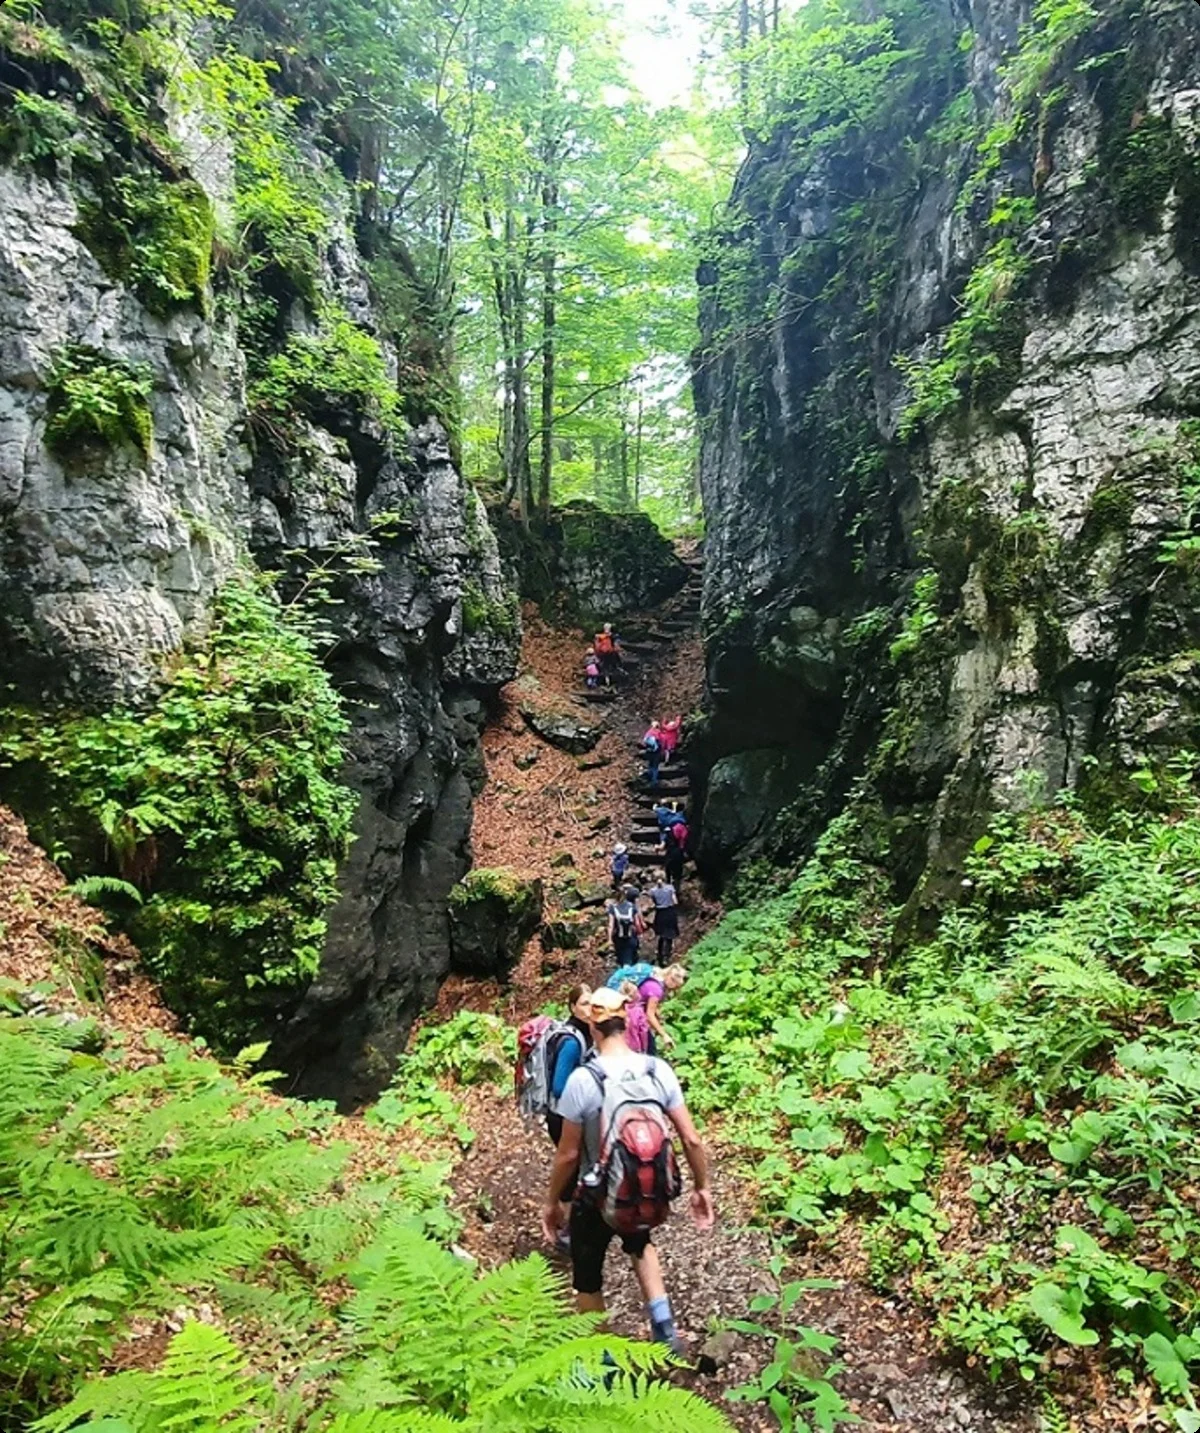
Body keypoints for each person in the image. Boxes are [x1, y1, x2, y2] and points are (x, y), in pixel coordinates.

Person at [541, 985, 715, 1353]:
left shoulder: (583, 1080)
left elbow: (568, 1155)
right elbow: (692, 1139)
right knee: (641, 1243)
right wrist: (702, 1188)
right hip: (642, 1188)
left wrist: (552, 1201)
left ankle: (604, 1359)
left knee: (587, 1279)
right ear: (626, 1022)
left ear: (592, 1026)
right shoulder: (657, 1070)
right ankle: (665, 1330)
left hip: (595, 1195)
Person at [545, 982, 596, 1249]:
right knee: (571, 1165)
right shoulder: (572, 1042)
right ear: (572, 1007)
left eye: (592, 1003)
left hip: (571, 1112)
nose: (589, 1009)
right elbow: (559, 1085)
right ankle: (567, 1231)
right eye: (584, 1004)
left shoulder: (586, 1033)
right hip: (561, 1114)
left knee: (580, 1164)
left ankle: (576, 1225)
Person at [606, 884, 642, 964]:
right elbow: (637, 923)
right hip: (631, 937)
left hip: (619, 938)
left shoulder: (613, 908)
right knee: (632, 958)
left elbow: (610, 925)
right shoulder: (631, 906)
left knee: (623, 960)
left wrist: (609, 940)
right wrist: (640, 934)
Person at [648, 873, 679, 963]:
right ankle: (666, 956)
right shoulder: (670, 888)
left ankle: (660, 953)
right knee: (669, 934)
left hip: (660, 913)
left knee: (661, 935)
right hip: (670, 912)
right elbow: (675, 901)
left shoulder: (652, 891)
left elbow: (654, 902)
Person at [662, 823, 685, 892]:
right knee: (677, 874)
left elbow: (662, 846)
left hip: (670, 857)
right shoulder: (681, 839)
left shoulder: (668, 836)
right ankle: (677, 890)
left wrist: (657, 847)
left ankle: (668, 887)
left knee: (668, 871)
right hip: (679, 856)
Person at [643, 721, 663, 788]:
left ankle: (649, 776)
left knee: (650, 764)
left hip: (649, 752)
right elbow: (662, 741)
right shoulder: (659, 732)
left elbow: (644, 741)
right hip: (656, 753)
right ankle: (654, 780)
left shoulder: (649, 732)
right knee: (655, 767)